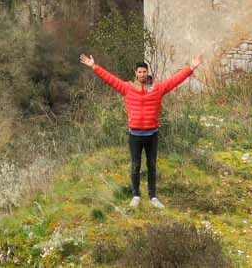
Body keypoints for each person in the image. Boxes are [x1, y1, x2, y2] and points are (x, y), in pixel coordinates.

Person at [79, 51, 201, 208]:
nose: (142, 74)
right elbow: (110, 79)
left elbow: (174, 81)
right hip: (135, 135)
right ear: (135, 73)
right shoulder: (128, 88)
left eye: (144, 71)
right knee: (135, 166)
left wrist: (190, 68)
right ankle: (136, 195)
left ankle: (153, 197)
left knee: (152, 165)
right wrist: (94, 66)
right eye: (139, 72)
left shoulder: (157, 88)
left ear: (147, 73)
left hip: (152, 135)